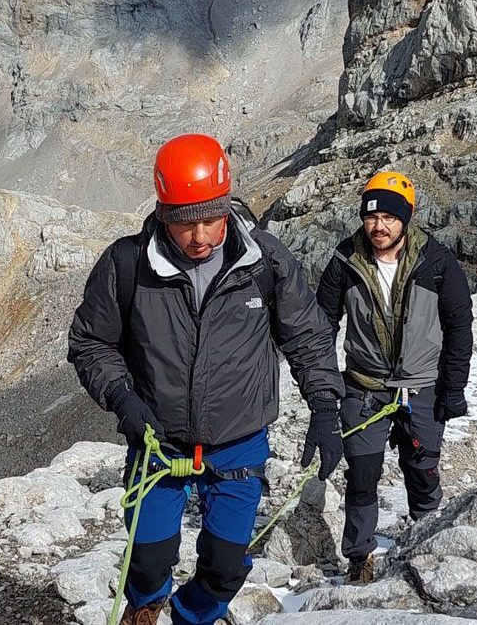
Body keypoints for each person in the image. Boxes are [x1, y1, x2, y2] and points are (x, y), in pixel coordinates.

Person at [68, 133, 345, 625]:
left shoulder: (265, 262)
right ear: (163, 213)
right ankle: (146, 603)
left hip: (238, 443)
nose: (200, 237)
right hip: (158, 441)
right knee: (149, 562)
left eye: (211, 220)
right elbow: (91, 342)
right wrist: (122, 398)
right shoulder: (128, 265)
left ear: (226, 207)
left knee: (223, 568)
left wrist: (326, 407)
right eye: (184, 223)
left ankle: (189, 618)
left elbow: (308, 337)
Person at [315, 171, 474, 583]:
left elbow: (459, 326)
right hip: (364, 387)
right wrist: (323, 387)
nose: (378, 226)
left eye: (388, 217)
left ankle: (425, 540)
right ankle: (359, 557)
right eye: (371, 217)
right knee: (362, 475)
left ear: (406, 218)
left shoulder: (437, 263)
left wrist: (453, 388)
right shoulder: (344, 262)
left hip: (422, 386)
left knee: (422, 470)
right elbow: (321, 326)